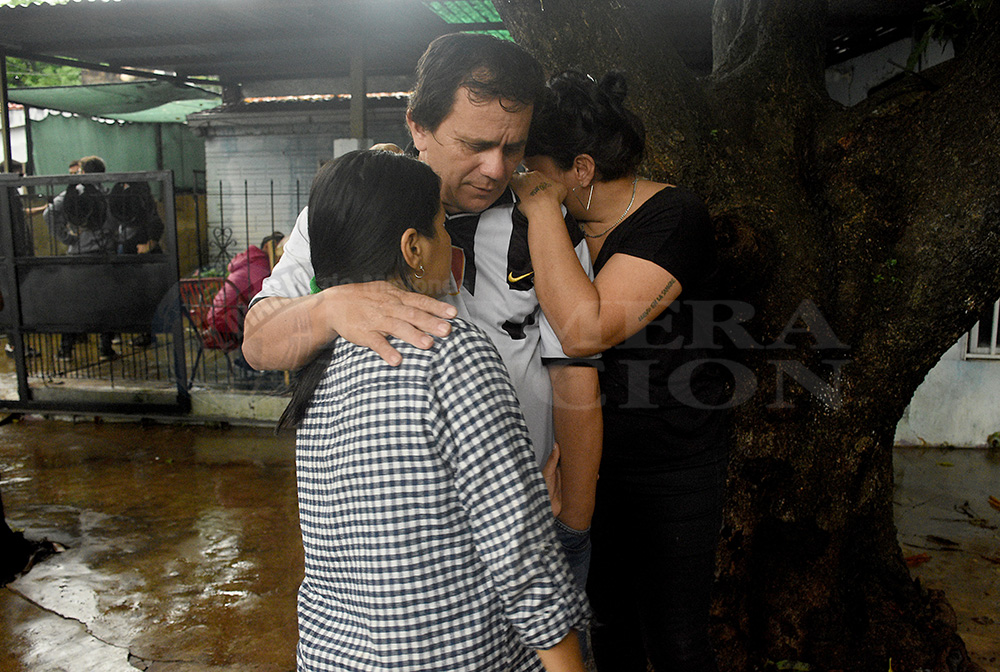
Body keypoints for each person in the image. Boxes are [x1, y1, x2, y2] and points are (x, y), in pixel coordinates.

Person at [244, 33, 602, 596]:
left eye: (513, 148)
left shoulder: (541, 224)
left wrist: (573, 525)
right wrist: (331, 305)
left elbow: (574, 372)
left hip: (525, 524)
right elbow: (259, 344)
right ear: (417, 125)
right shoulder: (349, 209)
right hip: (396, 542)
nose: (495, 168)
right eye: (475, 143)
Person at [281, 149, 589, 671]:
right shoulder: (448, 350)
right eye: (442, 227)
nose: (450, 242)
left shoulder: (320, 362)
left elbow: (395, 538)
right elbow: (522, 560)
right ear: (414, 248)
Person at [512, 71, 733, 671]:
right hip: (591, 463)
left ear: (580, 170)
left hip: (672, 466)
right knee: (607, 634)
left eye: (532, 170)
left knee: (676, 638)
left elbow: (587, 328)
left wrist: (539, 212)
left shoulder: (675, 216)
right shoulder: (571, 232)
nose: (521, 182)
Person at [44, 155, 119, 360]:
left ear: (83, 172)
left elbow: (48, 214)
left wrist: (67, 239)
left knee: (74, 303)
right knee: (106, 303)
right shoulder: (107, 195)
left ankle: (66, 350)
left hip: (78, 256)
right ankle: (105, 348)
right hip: (104, 255)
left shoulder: (73, 194)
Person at [202, 232, 283, 351]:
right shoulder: (261, 264)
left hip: (216, 317)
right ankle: (252, 363)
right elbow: (267, 296)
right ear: (267, 247)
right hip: (228, 324)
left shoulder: (249, 260)